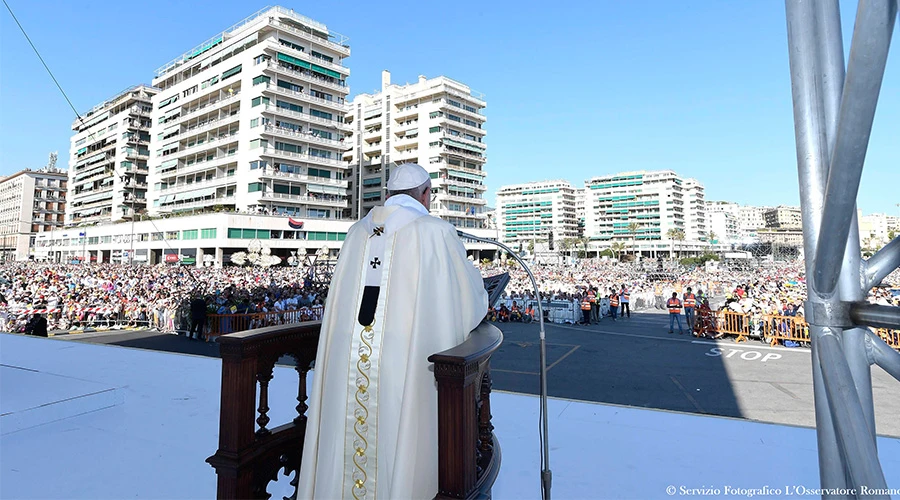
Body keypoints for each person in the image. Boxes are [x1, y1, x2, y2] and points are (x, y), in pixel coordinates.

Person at [298, 163, 488, 500]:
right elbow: (468, 300)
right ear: (426, 194)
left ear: (388, 194)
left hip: (350, 365)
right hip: (407, 365)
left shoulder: (357, 232)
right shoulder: (434, 231)